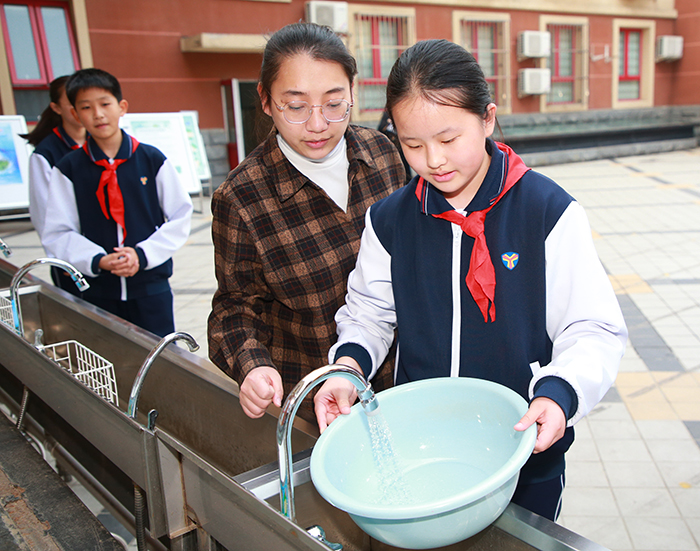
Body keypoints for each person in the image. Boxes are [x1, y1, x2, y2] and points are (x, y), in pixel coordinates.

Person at [314, 39, 627, 521]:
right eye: (412, 145)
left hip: (522, 449)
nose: (433, 160)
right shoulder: (391, 220)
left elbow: (592, 328)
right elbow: (369, 314)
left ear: (488, 119)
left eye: (448, 138)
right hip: (423, 449)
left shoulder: (547, 211)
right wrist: (349, 368)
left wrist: (560, 392)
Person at [207, 22, 406, 424]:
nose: (317, 124)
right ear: (265, 100)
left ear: (353, 92)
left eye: (334, 103)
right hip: (320, 404)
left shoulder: (382, 153)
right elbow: (234, 307)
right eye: (295, 106)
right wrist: (252, 366)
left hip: (402, 382)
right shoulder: (243, 197)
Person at [41, 68, 193, 337]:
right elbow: (58, 230)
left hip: (150, 286)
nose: (98, 114)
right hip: (97, 289)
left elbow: (180, 214)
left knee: (162, 360)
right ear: (75, 114)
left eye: (105, 104)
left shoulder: (151, 159)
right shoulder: (68, 168)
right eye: (86, 107)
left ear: (121, 107)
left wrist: (143, 254)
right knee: (107, 361)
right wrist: (97, 259)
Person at [21, 75, 86, 294]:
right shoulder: (47, 154)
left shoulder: (103, 144)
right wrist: (63, 257)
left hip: (107, 254)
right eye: (73, 103)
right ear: (56, 108)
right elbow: (44, 215)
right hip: (72, 259)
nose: (82, 109)